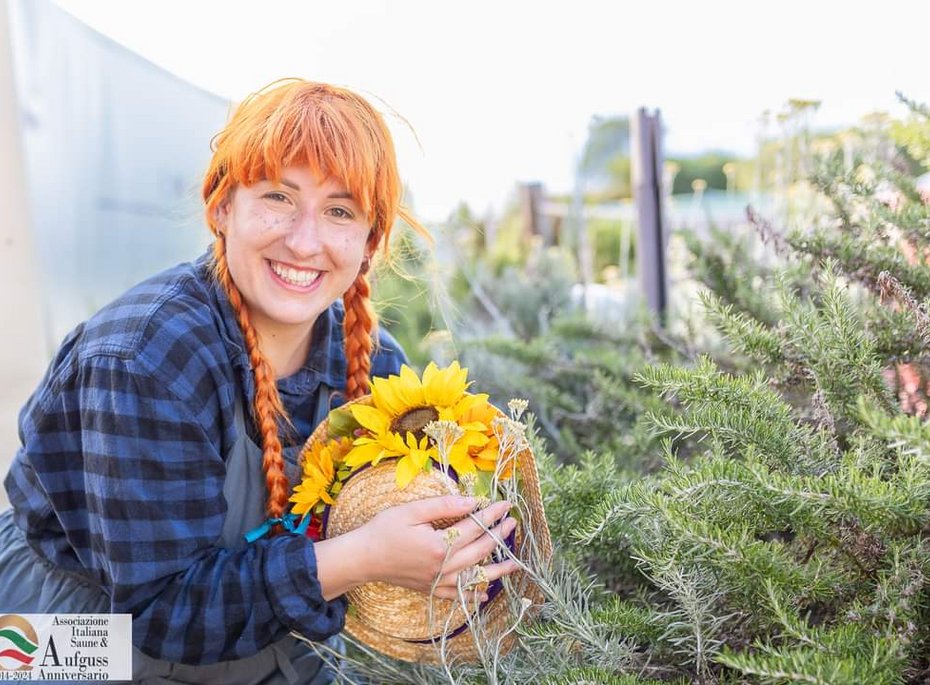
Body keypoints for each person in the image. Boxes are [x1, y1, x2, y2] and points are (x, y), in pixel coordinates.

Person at [0, 78, 519, 683]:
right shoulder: (147, 358)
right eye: (278, 197)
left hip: (270, 621)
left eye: (339, 210)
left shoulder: (375, 368)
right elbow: (160, 613)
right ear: (222, 206)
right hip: (81, 629)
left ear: (370, 241)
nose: (304, 241)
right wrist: (358, 558)